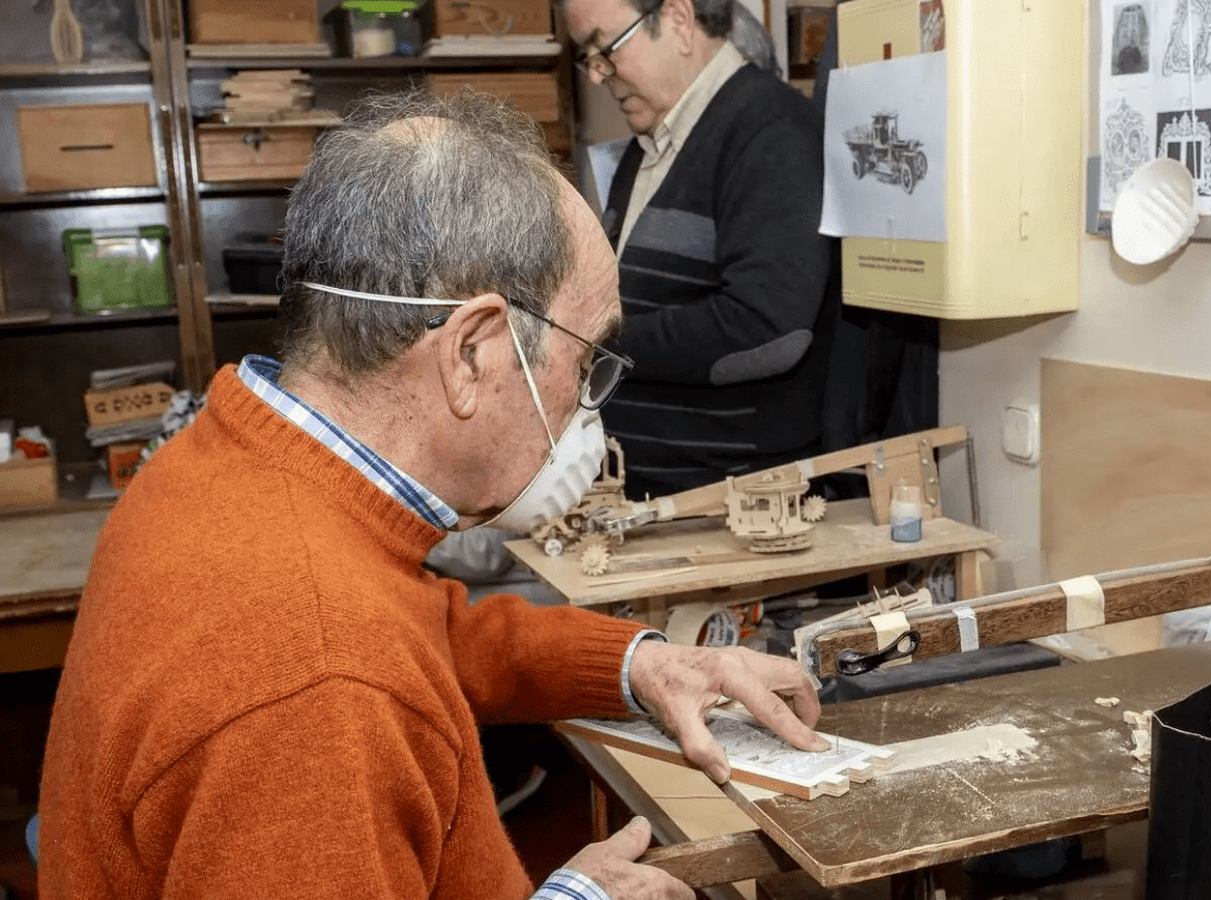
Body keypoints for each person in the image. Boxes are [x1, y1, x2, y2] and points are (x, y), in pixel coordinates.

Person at [36, 90, 828, 900]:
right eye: (585, 357)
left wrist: (641, 664)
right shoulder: (315, 683)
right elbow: (347, 665)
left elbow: (418, 634)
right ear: (474, 352)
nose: (585, 398)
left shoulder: (227, 463)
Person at [559, 0, 838, 500]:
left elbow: (767, 329)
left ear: (679, 21)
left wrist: (592, 340)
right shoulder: (648, 148)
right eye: (588, 57)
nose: (598, 74)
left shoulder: (771, 131)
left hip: (729, 499)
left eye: (605, 48)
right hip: (651, 488)